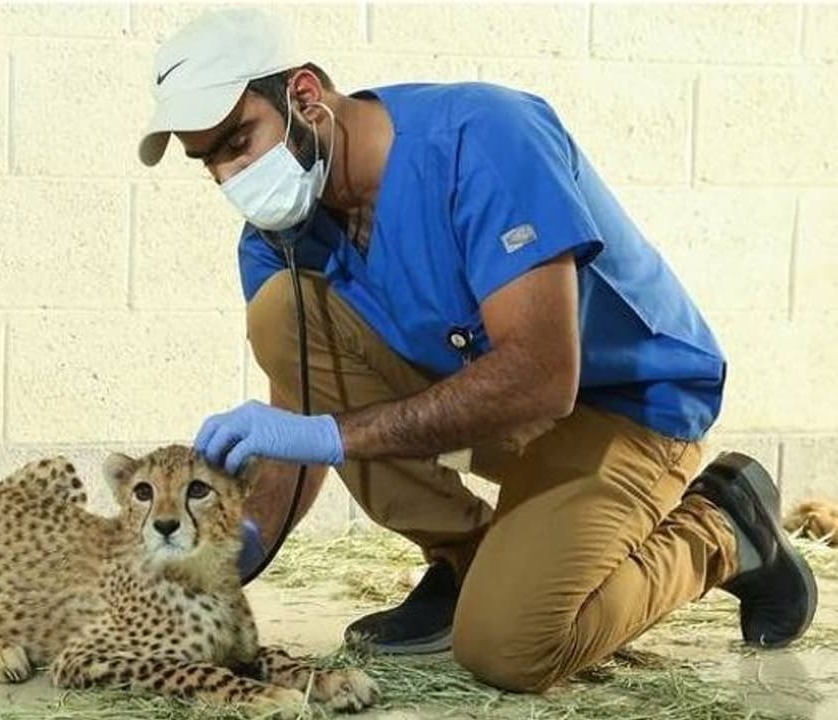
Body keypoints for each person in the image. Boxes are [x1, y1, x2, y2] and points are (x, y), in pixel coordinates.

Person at [134, 8, 818, 694]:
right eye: (211, 160)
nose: (230, 176)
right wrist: (229, 548)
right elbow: (304, 410)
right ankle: (468, 559)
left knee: (512, 649)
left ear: (306, 97)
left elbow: (543, 378)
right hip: (489, 412)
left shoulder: (482, 139)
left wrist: (324, 434)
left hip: (622, 409)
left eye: (239, 141)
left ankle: (725, 527)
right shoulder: (277, 237)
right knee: (283, 309)